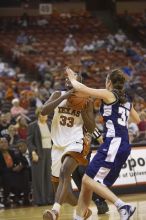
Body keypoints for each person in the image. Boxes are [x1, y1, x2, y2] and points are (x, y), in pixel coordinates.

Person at [66, 67, 140, 220]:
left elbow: (82, 88)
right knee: (88, 183)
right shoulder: (127, 101)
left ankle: (122, 206)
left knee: (88, 180)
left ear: (109, 82)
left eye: (106, 79)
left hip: (113, 143)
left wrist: (72, 78)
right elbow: (139, 121)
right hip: (123, 144)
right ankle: (78, 217)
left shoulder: (108, 94)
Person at [42, 73, 95, 220]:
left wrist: (83, 109)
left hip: (76, 141)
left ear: (79, 83)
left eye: (72, 79)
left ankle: (54, 212)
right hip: (57, 145)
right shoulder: (58, 94)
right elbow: (43, 111)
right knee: (66, 196)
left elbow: (91, 128)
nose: (67, 80)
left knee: (66, 171)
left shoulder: (87, 100)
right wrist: (64, 98)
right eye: (66, 78)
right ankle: (83, 210)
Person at [72, 127, 109, 215]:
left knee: (83, 174)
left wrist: (104, 150)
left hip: (84, 152)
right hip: (71, 154)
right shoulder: (68, 123)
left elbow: (98, 136)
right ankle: (91, 202)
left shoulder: (87, 122)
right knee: (76, 178)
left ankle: (99, 200)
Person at [27, 108, 54, 206]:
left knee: (48, 177)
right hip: (38, 153)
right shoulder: (32, 126)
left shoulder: (50, 124)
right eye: (43, 115)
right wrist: (33, 152)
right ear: (39, 115)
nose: (45, 116)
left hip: (49, 152)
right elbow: (29, 141)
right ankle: (39, 200)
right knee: (38, 178)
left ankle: (49, 199)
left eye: (46, 115)